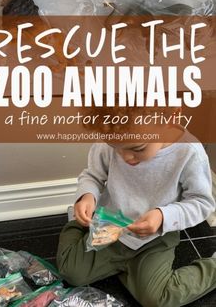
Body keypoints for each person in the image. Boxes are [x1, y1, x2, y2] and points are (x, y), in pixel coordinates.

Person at [56, 123, 216, 307]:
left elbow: (202, 202)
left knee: (158, 299)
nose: (125, 157)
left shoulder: (189, 152)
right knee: (71, 273)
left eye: (137, 148)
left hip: (156, 237)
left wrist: (163, 216)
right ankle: (81, 226)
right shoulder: (113, 132)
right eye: (114, 147)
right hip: (110, 225)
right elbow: (93, 175)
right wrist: (87, 196)